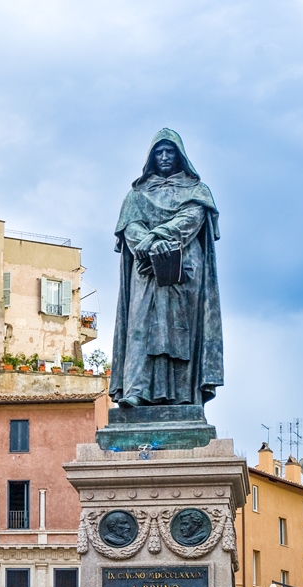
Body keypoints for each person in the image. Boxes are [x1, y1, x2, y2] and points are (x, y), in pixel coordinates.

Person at [110, 129, 223, 408]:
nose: (163, 157)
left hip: (184, 270)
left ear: (179, 155)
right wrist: (149, 244)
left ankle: (184, 395)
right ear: (150, 157)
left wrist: (156, 236)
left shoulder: (197, 191)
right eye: (158, 152)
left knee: (179, 330)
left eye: (169, 151)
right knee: (140, 327)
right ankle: (136, 391)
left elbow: (191, 218)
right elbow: (130, 228)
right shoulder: (135, 195)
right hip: (147, 268)